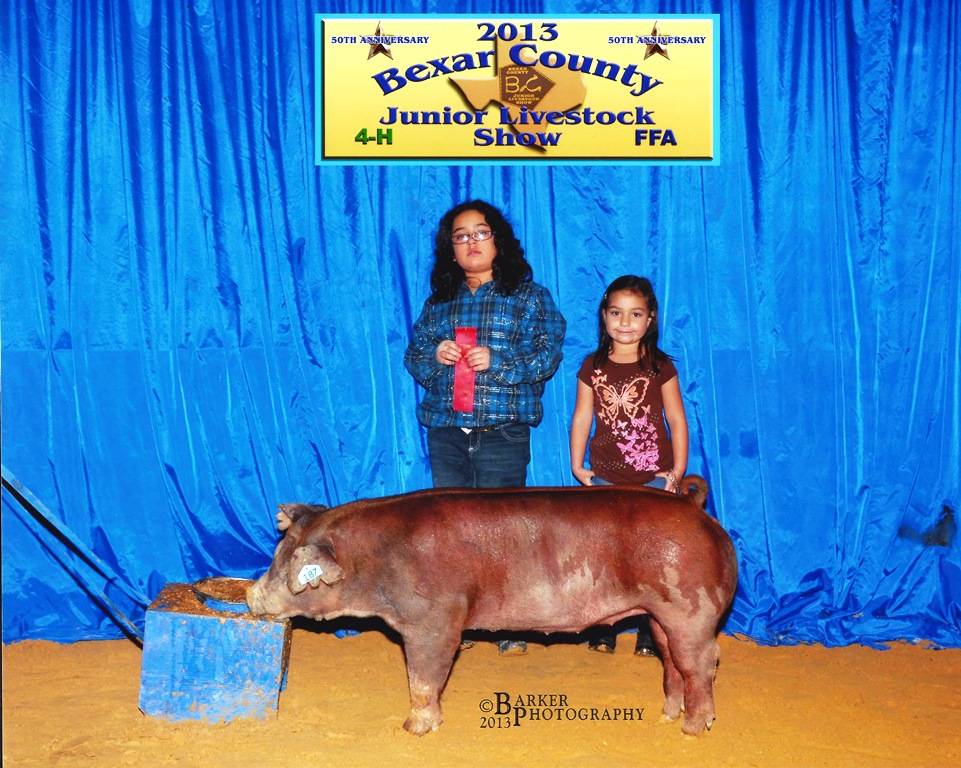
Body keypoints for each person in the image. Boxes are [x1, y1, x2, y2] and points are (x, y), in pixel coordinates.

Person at [404, 199, 566, 656]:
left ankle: (511, 621)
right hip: (447, 429)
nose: (471, 242)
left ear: (499, 241)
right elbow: (414, 357)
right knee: (452, 531)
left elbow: (548, 354)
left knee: (503, 528)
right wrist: (435, 358)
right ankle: (462, 623)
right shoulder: (438, 305)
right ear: (450, 250)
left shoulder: (531, 297)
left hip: (502, 429)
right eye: (461, 236)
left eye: (481, 232)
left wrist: (500, 362)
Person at [569, 275, 689, 655]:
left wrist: (677, 471)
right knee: (605, 557)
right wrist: (577, 464)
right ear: (604, 316)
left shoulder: (659, 365)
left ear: (650, 319)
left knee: (649, 559)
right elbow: (582, 418)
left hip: (653, 478)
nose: (625, 322)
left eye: (635, 314)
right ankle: (603, 625)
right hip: (606, 476)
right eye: (616, 313)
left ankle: (649, 631)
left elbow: (676, 418)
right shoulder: (593, 365)